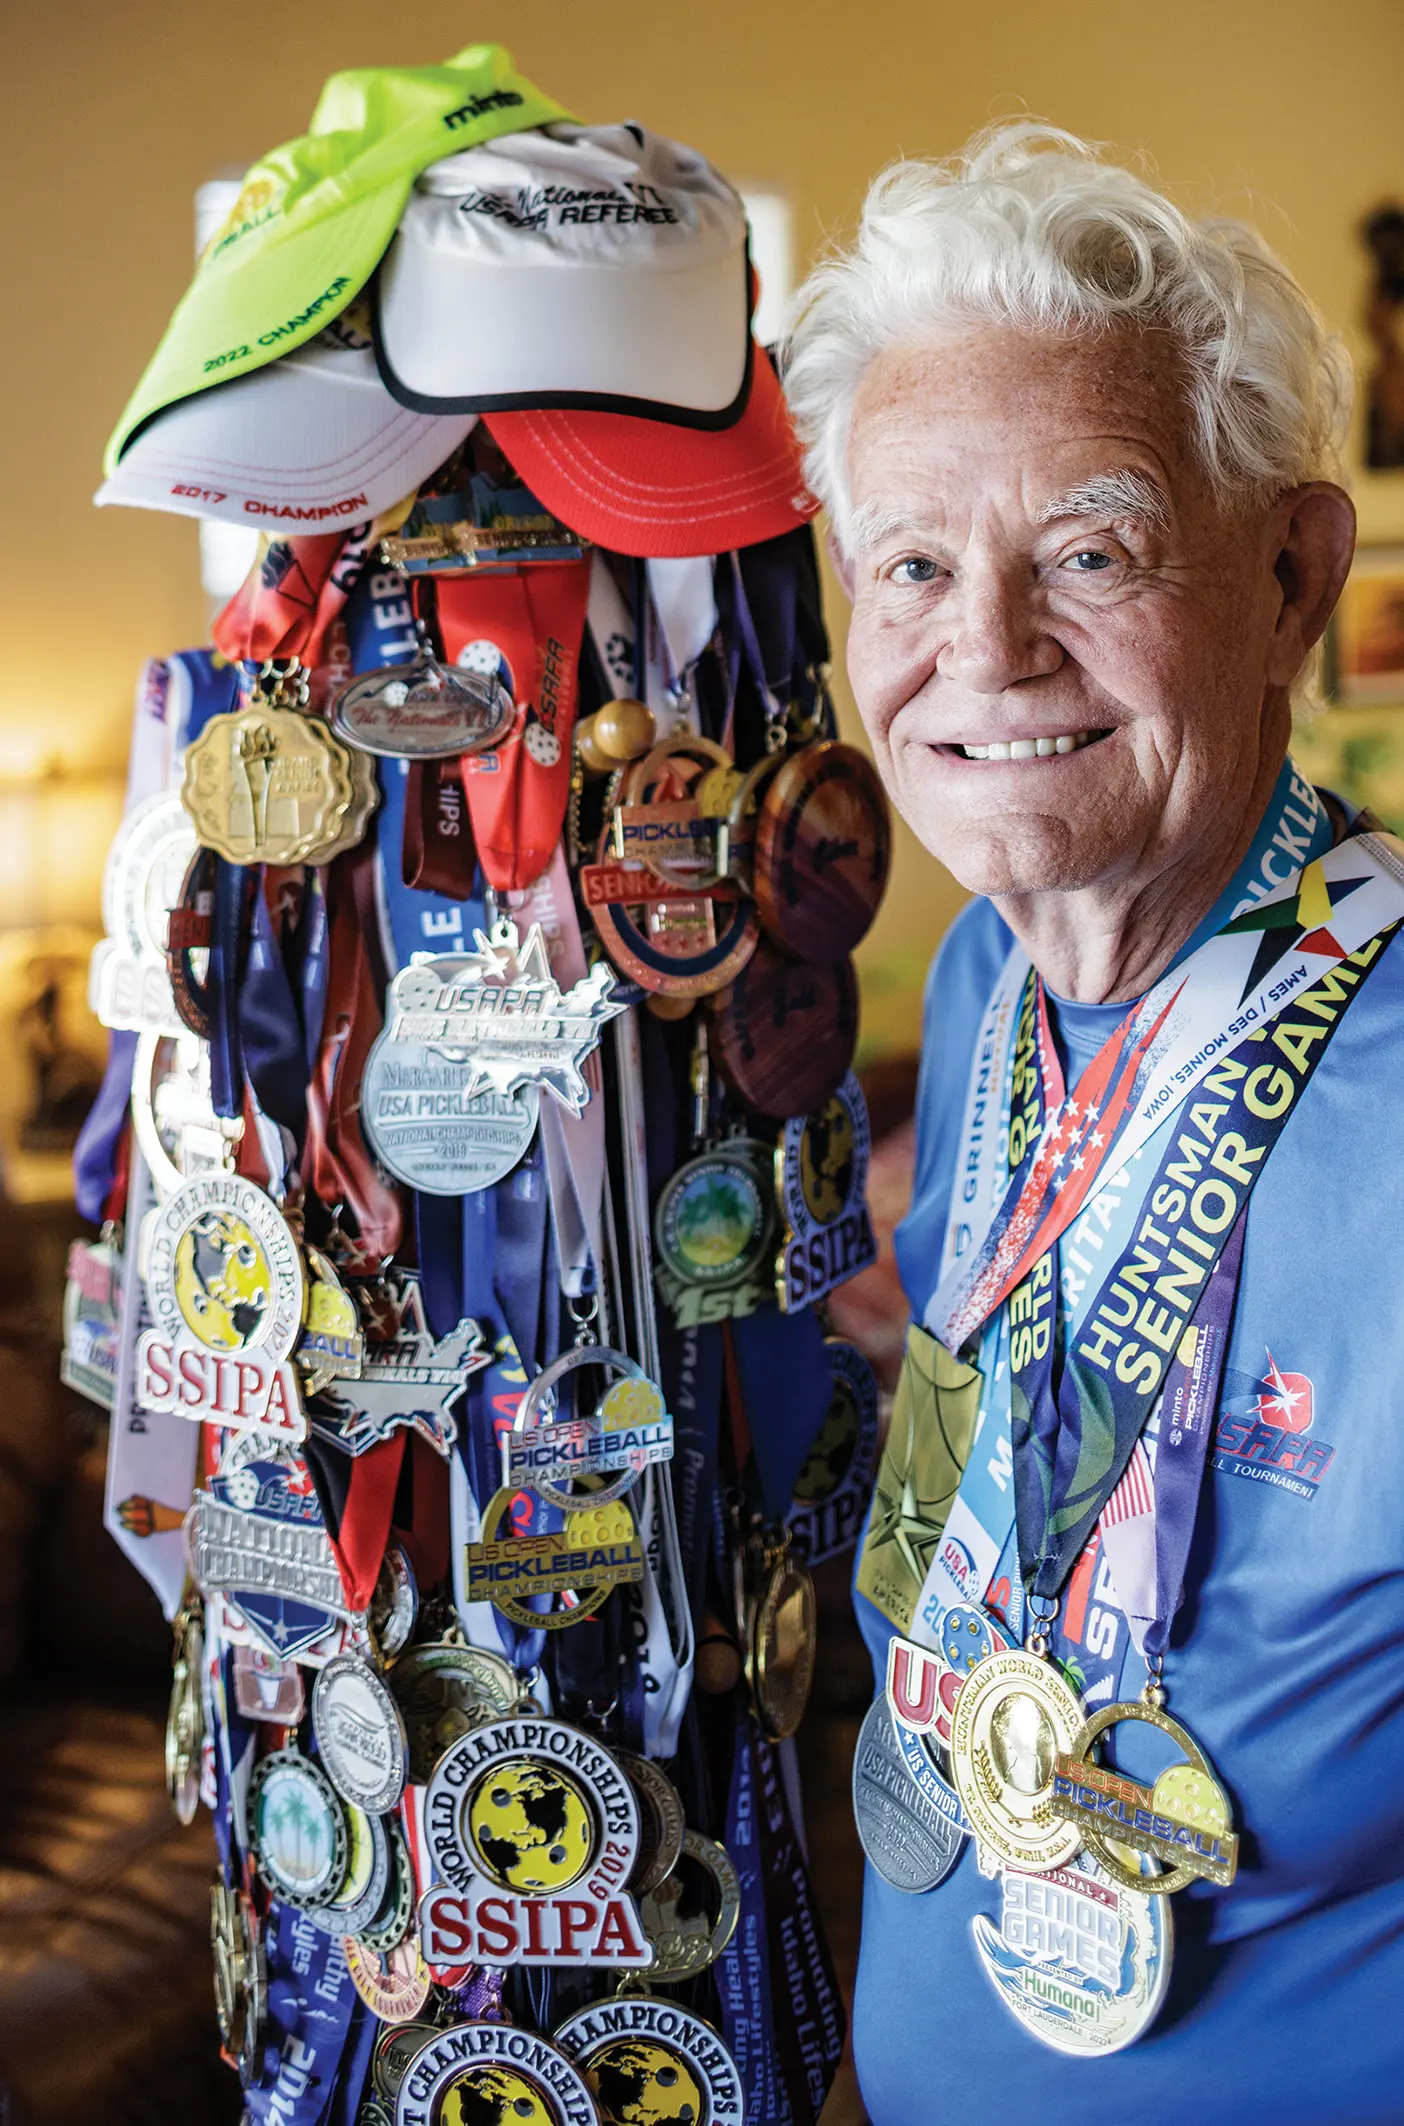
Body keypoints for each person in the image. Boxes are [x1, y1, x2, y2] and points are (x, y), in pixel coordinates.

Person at [784, 124, 1404, 2122]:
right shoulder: (994, 977)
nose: (986, 648)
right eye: (913, 562)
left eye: (1091, 551)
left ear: (1294, 572)